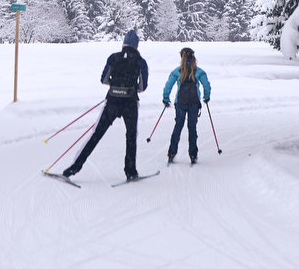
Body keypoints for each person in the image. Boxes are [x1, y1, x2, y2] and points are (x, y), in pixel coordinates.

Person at [60, 29, 149, 182]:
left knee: (97, 134)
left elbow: (104, 79)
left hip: (112, 101)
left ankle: (73, 168)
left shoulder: (113, 57)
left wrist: (116, 84)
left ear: (124, 44)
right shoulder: (141, 62)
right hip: (130, 103)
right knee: (131, 136)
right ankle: (131, 172)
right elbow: (142, 87)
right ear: (136, 46)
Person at [162, 47, 212, 165]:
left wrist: (165, 98)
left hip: (180, 103)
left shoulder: (177, 71)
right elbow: (206, 85)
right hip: (194, 103)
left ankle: (171, 153)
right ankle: (193, 154)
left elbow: (168, 85)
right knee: (192, 128)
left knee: (178, 127)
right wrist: (206, 96)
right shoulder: (199, 71)